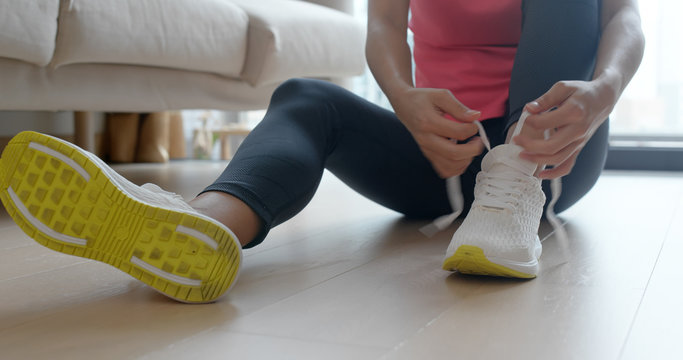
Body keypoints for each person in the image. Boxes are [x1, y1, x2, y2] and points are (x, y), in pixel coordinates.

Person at [0, 0, 644, 303]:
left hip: (553, 150)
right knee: (306, 95)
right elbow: (384, 27)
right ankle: (208, 225)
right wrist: (404, 100)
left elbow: (626, 19)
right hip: (441, 152)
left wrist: (605, 91)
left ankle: (511, 197)